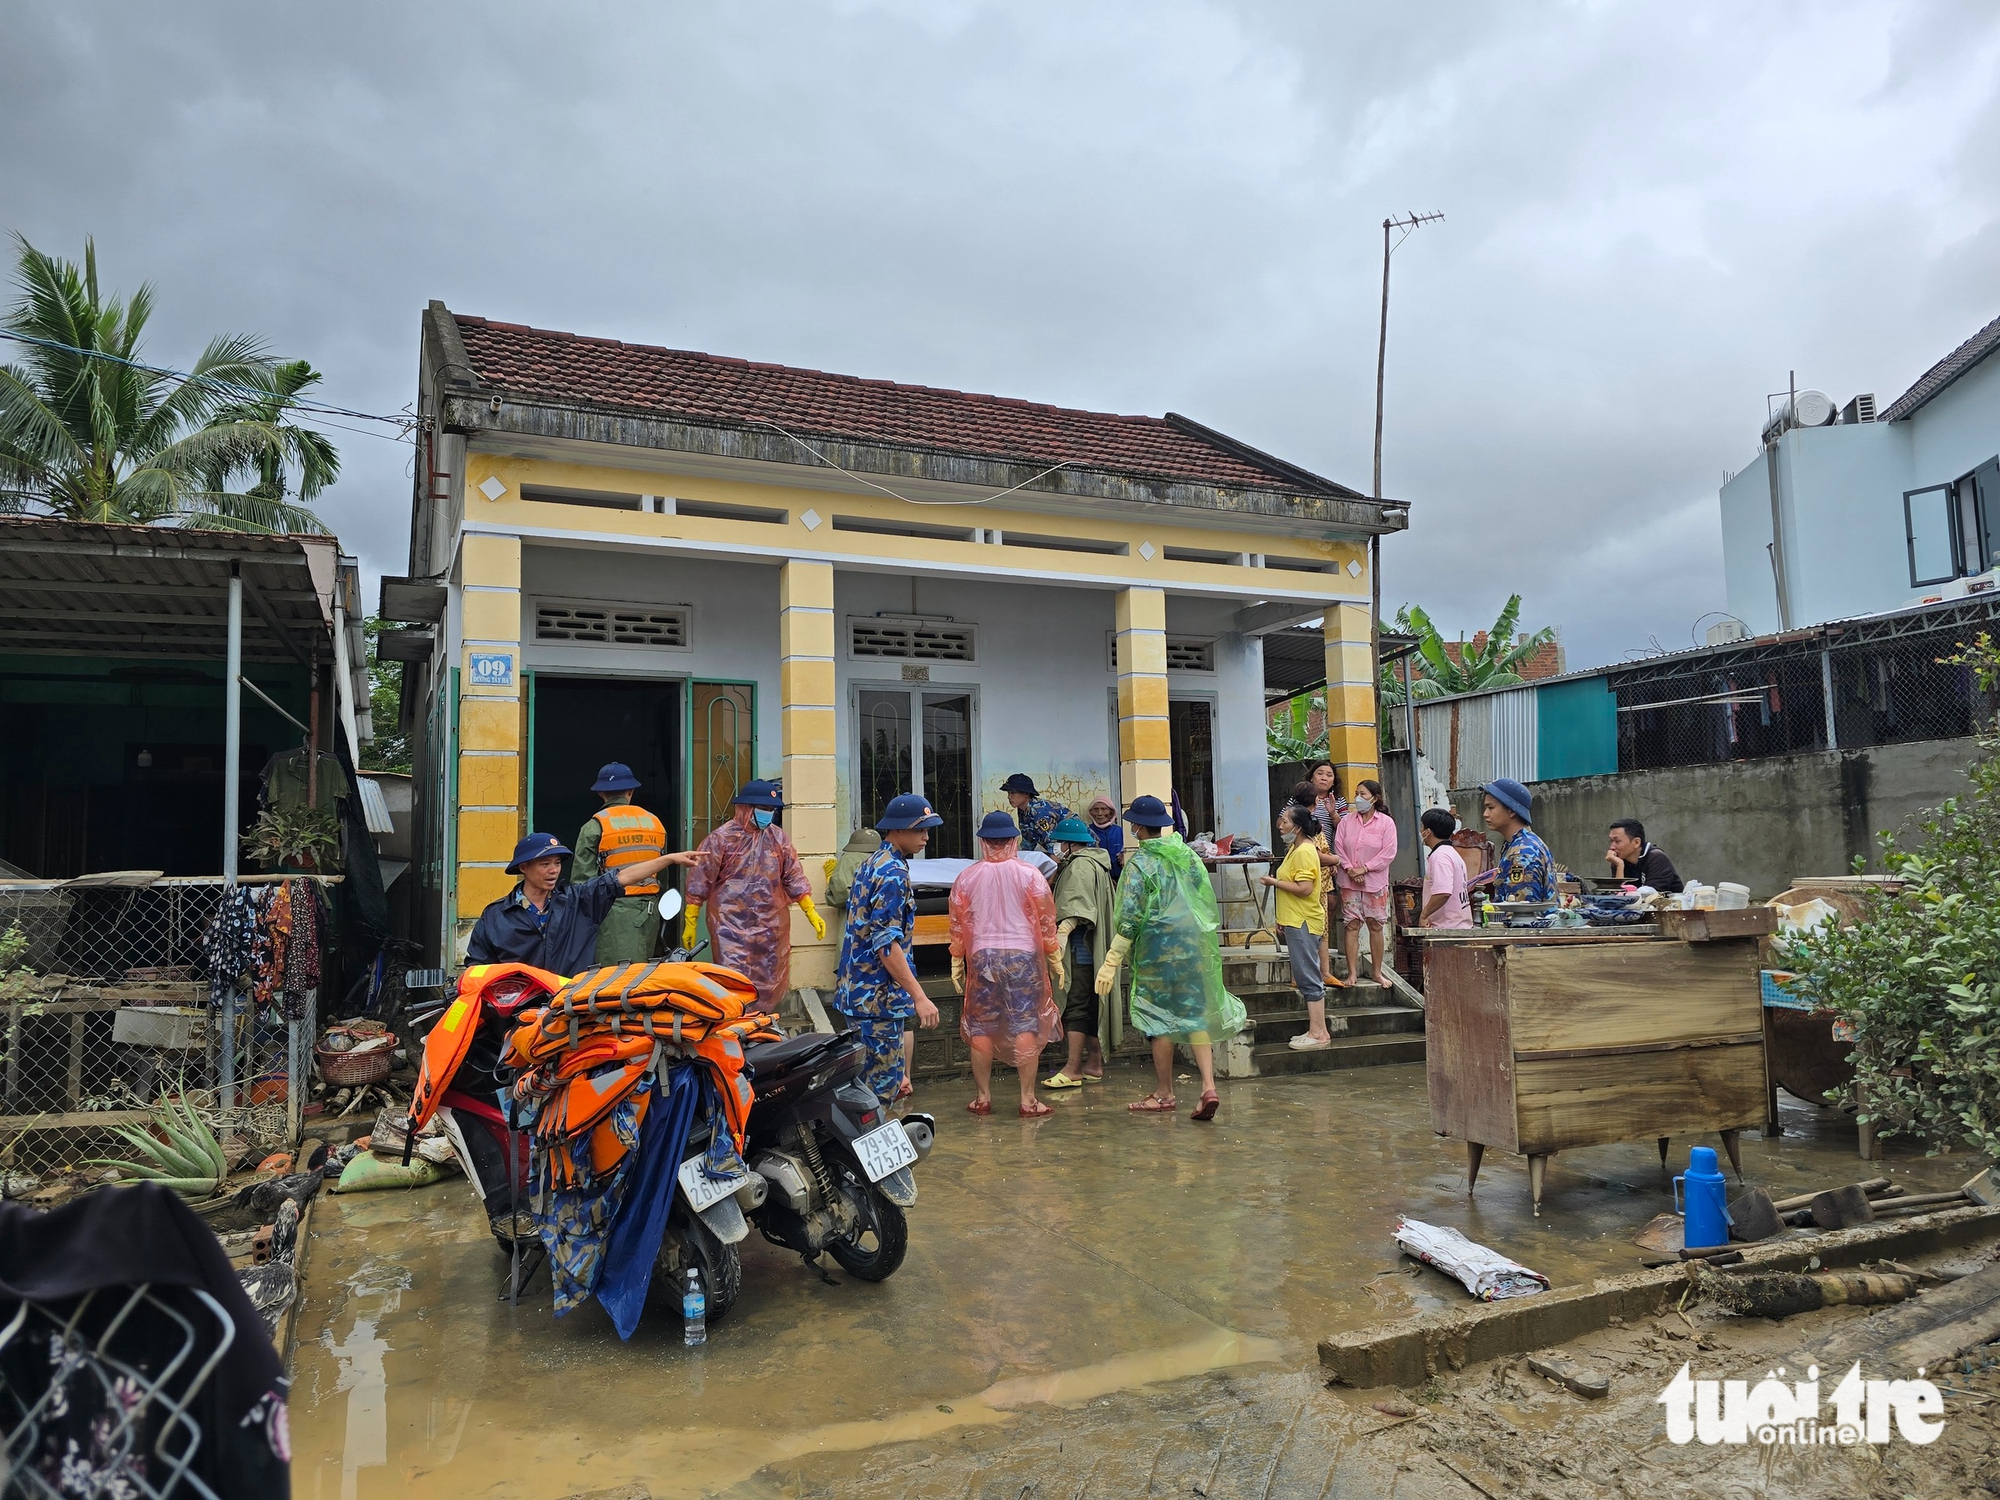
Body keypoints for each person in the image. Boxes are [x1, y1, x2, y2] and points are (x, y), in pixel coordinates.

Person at [1095, 794, 1246, 1122]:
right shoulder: (1187, 855)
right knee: (1194, 1015)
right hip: (1192, 948)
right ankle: (1208, 1087)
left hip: (1157, 951)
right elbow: (1200, 896)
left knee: (1159, 1017)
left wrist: (1111, 961)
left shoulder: (1140, 864)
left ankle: (1164, 1093)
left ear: (1137, 826)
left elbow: (1131, 916)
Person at [951, 811, 1063, 1117]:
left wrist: (956, 959)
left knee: (982, 1025)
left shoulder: (968, 877)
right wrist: (1054, 956)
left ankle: (983, 1097)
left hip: (983, 956)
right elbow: (1046, 920)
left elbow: (958, 923)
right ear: (1014, 840)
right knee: (1026, 1021)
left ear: (984, 842)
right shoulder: (1031, 875)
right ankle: (1028, 1099)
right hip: (1023, 957)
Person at [833, 794, 943, 1101]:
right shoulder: (892, 873)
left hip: (860, 996)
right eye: (920, 829)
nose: (926, 837)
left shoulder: (874, 862)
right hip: (878, 1001)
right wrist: (919, 996)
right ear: (898, 829)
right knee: (878, 1100)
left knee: (866, 1090)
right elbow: (887, 945)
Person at [684, 781, 824, 1014]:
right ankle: (737, 1025)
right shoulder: (721, 839)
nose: (767, 814)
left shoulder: (778, 839)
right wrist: (690, 919)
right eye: (762, 808)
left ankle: (763, 1025)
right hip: (729, 926)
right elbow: (700, 878)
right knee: (734, 979)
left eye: (771, 810)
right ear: (746, 808)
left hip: (770, 927)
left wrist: (810, 910)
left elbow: (793, 875)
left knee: (769, 978)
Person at [466, 832, 696, 974]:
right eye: (545, 864)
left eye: (557, 863)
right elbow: (477, 967)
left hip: (570, 1009)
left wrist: (668, 859)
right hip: (517, 1015)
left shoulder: (578, 901)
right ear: (523, 868)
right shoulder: (496, 916)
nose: (554, 870)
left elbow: (622, 877)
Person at [1042, 814, 1117, 1089]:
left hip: (1080, 950)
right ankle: (1094, 1064)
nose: (1057, 848)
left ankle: (1073, 1068)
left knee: (1075, 1007)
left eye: (1060, 843)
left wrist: (1062, 934)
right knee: (1090, 1007)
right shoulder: (1096, 863)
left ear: (1071, 845)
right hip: (1093, 950)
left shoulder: (1079, 867)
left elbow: (1078, 910)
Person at [569, 762, 669, 965]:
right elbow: (662, 876)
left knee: (614, 979)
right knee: (646, 977)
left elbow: (582, 884)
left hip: (613, 914)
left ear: (601, 794)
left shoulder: (594, 826)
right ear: (631, 791)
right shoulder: (654, 823)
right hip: (651, 912)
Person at [1261, 804, 1331, 1049]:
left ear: (1298, 827)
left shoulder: (1303, 851)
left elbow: (1305, 889)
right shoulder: (1296, 848)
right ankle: (1316, 1030)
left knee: (1308, 977)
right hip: (1295, 920)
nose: (1280, 826)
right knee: (1305, 976)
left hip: (1303, 920)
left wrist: (1274, 882)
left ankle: (1319, 1033)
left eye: (1285, 822)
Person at [1333, 778, 1398, 987]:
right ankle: (1352, 973)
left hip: (1375, 882)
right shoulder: (1346, 821)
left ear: (1375, 798)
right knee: (1351, 925)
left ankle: (1377, 972)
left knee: (1375, 925)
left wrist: (1365, 868)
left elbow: (1388, 852)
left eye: (1363, 794)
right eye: (1357, 794)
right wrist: (1351, 870)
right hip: (1349, 881)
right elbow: (1339, 848)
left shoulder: (1386, 823)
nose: (1358, 798)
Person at [1477, 777, 1554, 903]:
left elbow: (1521, 914)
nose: (1485, 814)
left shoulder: (1522, 853)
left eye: (1491, 807)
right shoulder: (1524, 843)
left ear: (1511, 810)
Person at [1418, 809, 1473, 928]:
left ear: (1428, 832)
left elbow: (1442, 893)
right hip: (1457, 925)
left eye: (1422, 826)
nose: (1420, 830)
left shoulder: (1440, 856)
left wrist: (1424, 915)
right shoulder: (1451, 853)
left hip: (1447, 927)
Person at [1605, 819, 1684, 892]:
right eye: (1611, 841)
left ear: (1636, 842)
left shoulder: (1657, 858)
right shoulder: (1619, 860)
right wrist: (1619, 866)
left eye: (1617, 841)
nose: (1612, 847)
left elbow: (1648, 896)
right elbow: (1618, 896)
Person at [1002, 774, 1071, 856]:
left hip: (1078, 850)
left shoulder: (1039, 812)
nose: (1009, 797)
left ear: (1026, 794)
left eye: (1013, 792)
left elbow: (1054, 847)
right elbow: (1027, 843)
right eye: (1008, 793)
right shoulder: (1022, 810)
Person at [1085, 795, 1125, 876]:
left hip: (1121, 879)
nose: (1100, 813)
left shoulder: (1120, 831)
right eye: (1096, 810)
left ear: (1111, 813)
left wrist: (1124, 854)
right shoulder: (1087, 832)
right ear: (1091, 813)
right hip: (1098, 879)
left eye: (1104, 809)